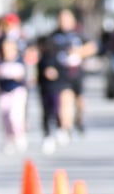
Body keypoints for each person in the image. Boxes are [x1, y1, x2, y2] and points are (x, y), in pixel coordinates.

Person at [42, 8, 98, 151]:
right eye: (62, 19)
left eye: (67, 19)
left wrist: (79, 52)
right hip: (62, 75)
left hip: (77, 74)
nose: (64, 22)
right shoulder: (54, 36)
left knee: (79, 102)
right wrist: (49, 67)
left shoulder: (79, 34)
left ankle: (79, 120)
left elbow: (93, 47)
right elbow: (47, 54)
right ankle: (64, 127)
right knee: (65, 101)